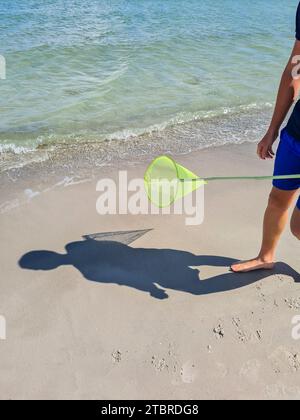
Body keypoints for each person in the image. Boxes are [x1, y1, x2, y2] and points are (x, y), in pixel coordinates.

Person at [232, 3, 300, 273]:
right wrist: (272, 130)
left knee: (298, 227)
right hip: (296, 134)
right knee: (277, 199)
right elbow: (295, 67)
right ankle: (265, 256)